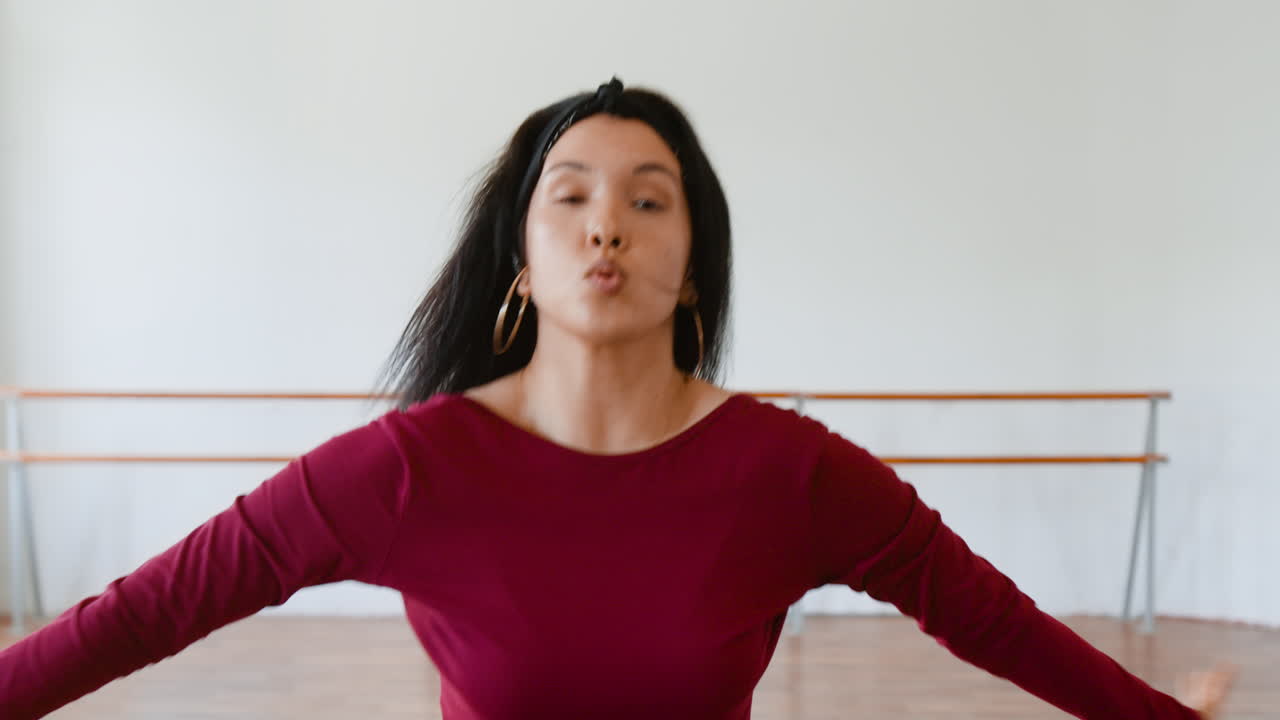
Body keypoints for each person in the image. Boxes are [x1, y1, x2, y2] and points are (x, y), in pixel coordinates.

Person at [0, 77, 1234, 719]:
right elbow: (142, 614)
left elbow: (993, 623)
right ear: (521, 258)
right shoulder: (407, 470)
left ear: (692, 261)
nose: (608, 228)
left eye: (649, 200)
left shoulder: (789, 474)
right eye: (571, 197)